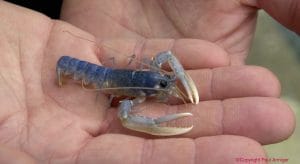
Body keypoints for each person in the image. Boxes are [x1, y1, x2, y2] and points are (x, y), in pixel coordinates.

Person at [0, 0, 296, 163]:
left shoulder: (155, 78)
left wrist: (172, 78)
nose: (167, 83)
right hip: (85, 71)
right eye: (164, 83)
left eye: (165, 80)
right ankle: (66, 74)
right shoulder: (128, 99)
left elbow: (166, 55)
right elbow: (125, 115)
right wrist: (156, 121)